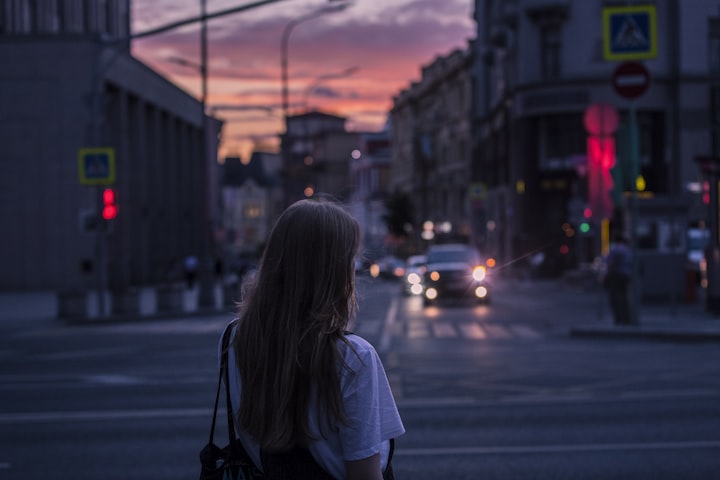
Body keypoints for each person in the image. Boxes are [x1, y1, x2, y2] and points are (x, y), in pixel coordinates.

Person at [220, 198, 405, 479]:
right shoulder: (354, 357)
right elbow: (364, 474)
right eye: (349, 259)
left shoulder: (235, 338)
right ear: (332, 271)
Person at [605, 234, 633, 325]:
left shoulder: (616, 250)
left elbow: (611, 264)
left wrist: (607, 275)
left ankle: (619, 318)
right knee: (624, 297)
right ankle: (626, 317)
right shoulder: (628, 250)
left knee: (615, 298)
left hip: (617, 276)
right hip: (626, 275)